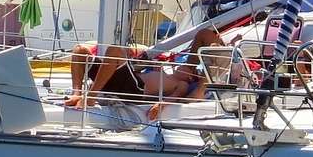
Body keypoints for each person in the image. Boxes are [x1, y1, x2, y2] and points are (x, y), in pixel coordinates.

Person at [65, 26, 223, 119]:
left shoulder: (180, 83)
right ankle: (76, 92)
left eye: (187, 68)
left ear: (190, 76)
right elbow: (204, 35)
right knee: (80, 50)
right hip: (121, 80)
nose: (180, 66)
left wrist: (160, 105)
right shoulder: (168, 73)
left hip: (135, 89)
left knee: (114, 50)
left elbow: (176, 96)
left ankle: (91, 97)